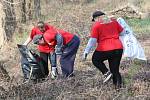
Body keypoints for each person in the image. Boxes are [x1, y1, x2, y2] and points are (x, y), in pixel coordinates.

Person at [83, 11, 124, 88]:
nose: (94, 22)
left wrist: (86, 51)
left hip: (105, 48)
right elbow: (122, 33)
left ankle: (106, 73)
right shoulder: (114, 22)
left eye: (94, 20)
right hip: (118, 48)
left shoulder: (97, 25)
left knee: (95, 60)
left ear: (97, 18)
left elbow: (93, 40)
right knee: (115, 70)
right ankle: (118, 88)